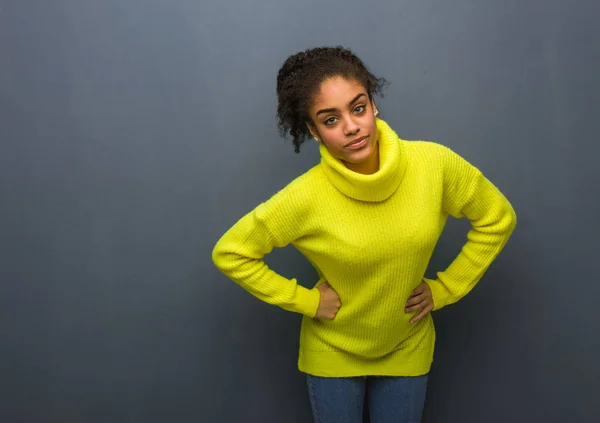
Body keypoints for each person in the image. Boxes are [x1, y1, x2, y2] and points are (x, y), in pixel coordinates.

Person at [212, 46, 516, 423]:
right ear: (313, 131)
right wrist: (307, 302)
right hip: (334, 349)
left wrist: (446, 287)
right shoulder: (305, 196)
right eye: (330, 119)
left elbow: (496, 217)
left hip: (407, 341)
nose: (351, 127)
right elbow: (232, 252)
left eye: (357, 108)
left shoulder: (433, 166)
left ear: (373, 106)